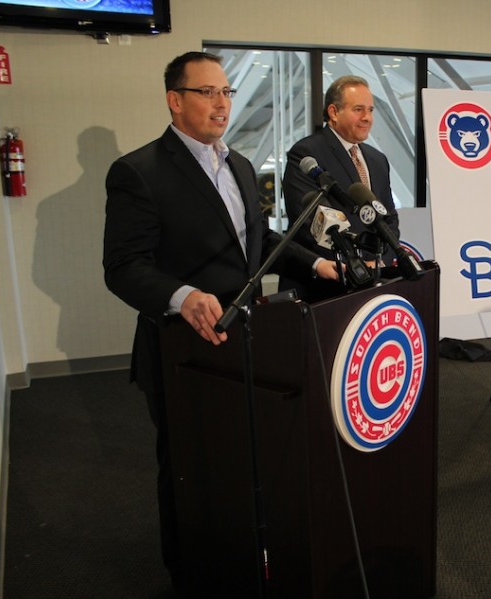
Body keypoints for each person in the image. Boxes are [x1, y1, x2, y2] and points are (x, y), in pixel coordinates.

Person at [102, 51, 338, 588]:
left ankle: (242, 553)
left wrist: (315, 260)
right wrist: (181, 295)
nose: (222, 103)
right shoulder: (138, 172)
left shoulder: (239, 164)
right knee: (190, 467)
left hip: (248, 339)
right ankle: (187, 571)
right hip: (183, 348)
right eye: (207, 92)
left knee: (243, 457)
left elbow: (257, 240)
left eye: (227, 92)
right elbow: (122, 267)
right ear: (175, 100)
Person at [281, 75, 400, 301]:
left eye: (371, 110)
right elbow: (309, 223)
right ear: (334, 112)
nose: (367, 118)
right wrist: (355, 262)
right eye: (358, 109)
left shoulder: (377, 160)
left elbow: (389, 218)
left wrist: (381, 259)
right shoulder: (307, 153)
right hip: (325, 287)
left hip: (372, 282)